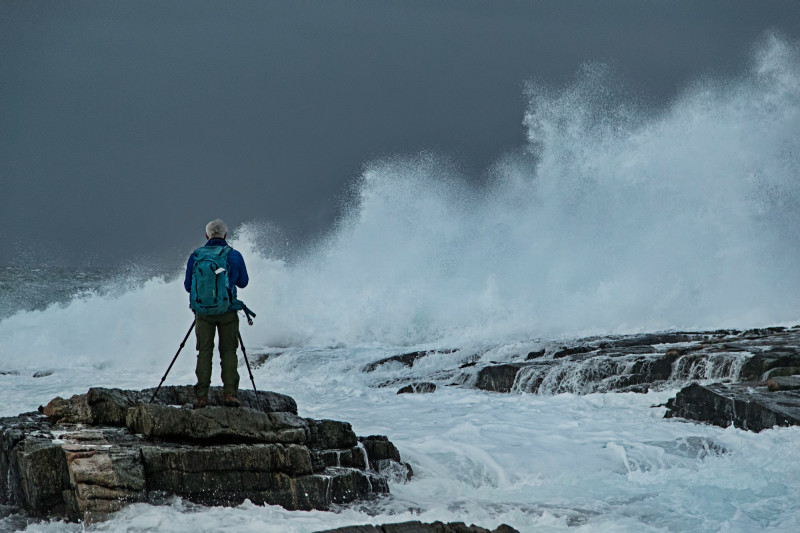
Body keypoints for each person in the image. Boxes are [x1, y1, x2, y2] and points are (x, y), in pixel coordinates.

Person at [184, 219, 249, 408]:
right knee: (228, 351)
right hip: (227, 311)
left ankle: (202, 397)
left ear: (207, 235)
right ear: (225, 236)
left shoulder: (196, 256)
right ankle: (230, 394)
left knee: (204, 351)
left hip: (203, 312)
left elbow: (189, 286)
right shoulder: (234, 255)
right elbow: (243, 282)